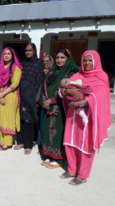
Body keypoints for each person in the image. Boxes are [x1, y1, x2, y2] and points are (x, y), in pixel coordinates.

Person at [60, 50, 111, 185]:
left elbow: (100, 96)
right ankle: (71, 170)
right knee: (70, 142)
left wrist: (82, 102)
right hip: (73, 117)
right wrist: (67, 91)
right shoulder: (77, 75)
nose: (87, 63)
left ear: (96, 62)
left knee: (85, 145)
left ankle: (82, 175)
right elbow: (61, 90)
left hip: (88, 118)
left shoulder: (102, 76)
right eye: (84, 60)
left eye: (90, 60)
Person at [40, 49, 79, 168]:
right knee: (48, 130)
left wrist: (51, 100)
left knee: (57, 131)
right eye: (57, 57)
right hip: (48, 106)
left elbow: (67, 91)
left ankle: (58, 157)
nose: (59, 60)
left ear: (68, 59)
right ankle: (48, 154)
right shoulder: (53, 71)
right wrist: (43, 101)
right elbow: (44, 86)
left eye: (62, 57)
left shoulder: (71, 72)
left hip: (61, 107)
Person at [15, 43, 44, 154]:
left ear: (34, 51)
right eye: (26, 50)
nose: (28, 52)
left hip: (32, 95)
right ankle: (21, 141)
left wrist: (37, 96)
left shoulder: (38, 63)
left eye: (30, 50)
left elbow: (41, 80)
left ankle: (29, 144)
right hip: (21, 94)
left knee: (29, 120)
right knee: (20, 118)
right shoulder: (22, 64)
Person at [0, 47, 22, 150]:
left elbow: (15, 84)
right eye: (5, 54)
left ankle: (8, 142)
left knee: (8, 118)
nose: (6, 55)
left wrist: (2, 94)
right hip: (0, 94)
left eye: (9, 54)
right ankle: (2, 140)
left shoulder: (16, 68)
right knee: (1, 117)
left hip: (10, 95)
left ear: (12, 56)